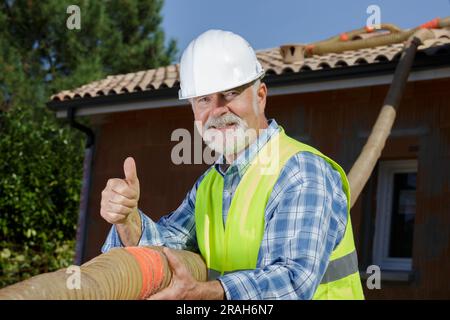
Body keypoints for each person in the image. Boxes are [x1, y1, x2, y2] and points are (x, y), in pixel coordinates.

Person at [100, 29, 364, 300]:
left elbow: (292, 282)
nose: (217, 111)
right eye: (204, 99)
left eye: (230, 94)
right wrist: (127, 220)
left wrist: (207, 293)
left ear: (260, 96)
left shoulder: (302, 173)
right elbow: (167, 245)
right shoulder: (211, 183)